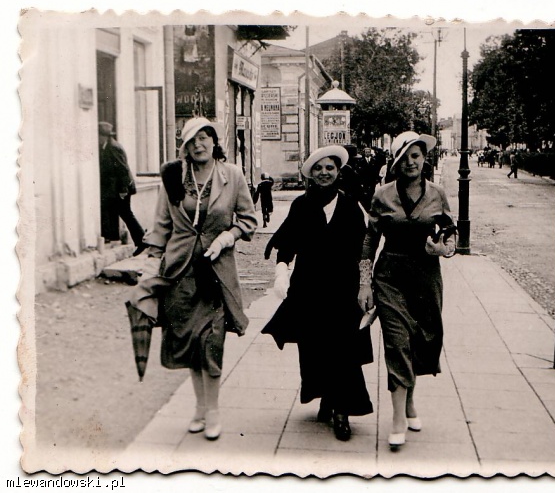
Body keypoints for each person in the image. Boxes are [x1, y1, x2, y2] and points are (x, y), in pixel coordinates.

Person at [125, 117, 257, 440]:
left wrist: (227, 237)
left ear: (214, 141)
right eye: (192, 140)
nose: (199, 144)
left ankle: (213, 412)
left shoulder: (232, 175)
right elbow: (161, 228)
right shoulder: (173, 178)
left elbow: (248, 220)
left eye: (204, 137)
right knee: (190, 346)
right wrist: (150, 266)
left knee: (211, 343)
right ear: (184, 147)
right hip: (180, 275)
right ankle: (200, 408)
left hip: (214, 275)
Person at [262, 145, 373, 442]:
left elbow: (363, 250)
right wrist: (282, 272)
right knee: (314, 348)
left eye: (330, 168)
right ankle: (326, 396)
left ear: (338, 172)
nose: (325, 173)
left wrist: (365, 285)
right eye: (319, 169)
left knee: (344, 349)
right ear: (311, 174)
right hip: (309, 289)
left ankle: (342, 411)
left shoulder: (350, 206)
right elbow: (287, 242)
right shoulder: (301, 205)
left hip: (343, 290)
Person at [358, 131, 457, 450]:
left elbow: (450, 233)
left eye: (416, 156)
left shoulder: (437, 193)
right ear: (395, 162)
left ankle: (410, 401)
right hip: (390, 276)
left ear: (424, 159)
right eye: (404, 157)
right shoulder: (382, 195)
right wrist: (364, 282)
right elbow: (370, 239)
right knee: (397, 342)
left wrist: (443, 249)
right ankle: (398, 417)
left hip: (426, 278)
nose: (411, 162)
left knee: (420, 341)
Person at [98, 122, 146, 256]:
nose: (98, 139)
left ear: (104, 136)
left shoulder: (113, 147)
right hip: (115, 189)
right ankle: (127, 239)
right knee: (120, 212)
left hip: (122, 188)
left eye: (99, 136)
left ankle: (142, 241)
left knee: (126, 213)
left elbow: (122, 169)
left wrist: (123, 190)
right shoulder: (107, 146)